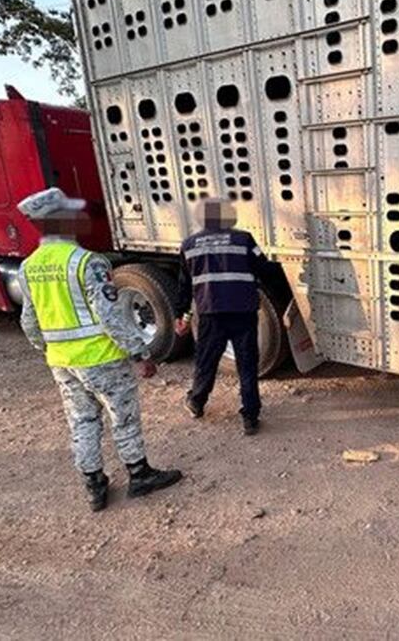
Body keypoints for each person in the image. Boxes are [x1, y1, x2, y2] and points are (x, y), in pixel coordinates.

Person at [17, 188, 183, 512]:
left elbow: (29, 321)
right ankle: (139, 475)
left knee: (82, 420)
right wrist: (140, 353)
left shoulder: (29, 267)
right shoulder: (87, 262)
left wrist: (49, 348)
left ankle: (94, 485)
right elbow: (110, 316)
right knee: (123, 417)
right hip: (101, 358)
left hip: (62, 361)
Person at [173, 200, 270, 435]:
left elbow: (184, 286)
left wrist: (181, 315)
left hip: (210, 313)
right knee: (246, 364)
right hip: (243, 311)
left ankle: (196, 402)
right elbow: (265, 268)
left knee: (207, 361)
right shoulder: (244, 239)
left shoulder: (189, 245)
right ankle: (250, 417)